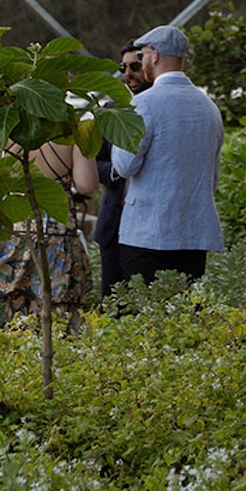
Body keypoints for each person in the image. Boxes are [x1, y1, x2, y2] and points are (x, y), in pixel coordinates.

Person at [112, 25, 225, 288]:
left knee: (147, 319)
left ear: (155, 56)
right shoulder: (209, 107)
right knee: (185, 319)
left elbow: (124, 165)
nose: (141, 63)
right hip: (194, 234)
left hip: (146, 235)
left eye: (141, 57)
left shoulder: (143, 104)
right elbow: (213, 175)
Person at [0, 137, 100, 331]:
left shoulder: (5, 125)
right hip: (56, 231)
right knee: (55, 314)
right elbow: (86, 185)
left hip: (11, 227)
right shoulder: (72, 129)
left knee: (0, 310)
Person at [94, 40, 149, 299]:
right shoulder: (112, 111)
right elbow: (96, 161)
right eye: (123, 67)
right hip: (115, 222)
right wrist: (117, 171)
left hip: (150, 228)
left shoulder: (159, 109)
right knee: (113, 303)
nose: (128, 74)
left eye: (135, 66)